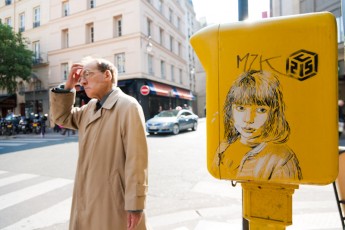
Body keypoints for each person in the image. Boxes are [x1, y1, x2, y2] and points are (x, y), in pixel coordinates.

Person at [50, 57, 149, 230]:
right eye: (81, 77)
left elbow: (137, 161)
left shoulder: (128, 106)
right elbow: (62, 118)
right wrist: (68, 87)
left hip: (112, 200)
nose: (82, 81)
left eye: (87, 74)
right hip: (86, 195)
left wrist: (135, 204)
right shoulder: (90, 108)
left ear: (107, 75)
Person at [212, 70, 302, 182]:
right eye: (241, 108)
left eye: (261, 110)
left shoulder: (281, 159)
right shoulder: (223, 148)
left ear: (273, 114)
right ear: (230, 110)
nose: (248, 119)